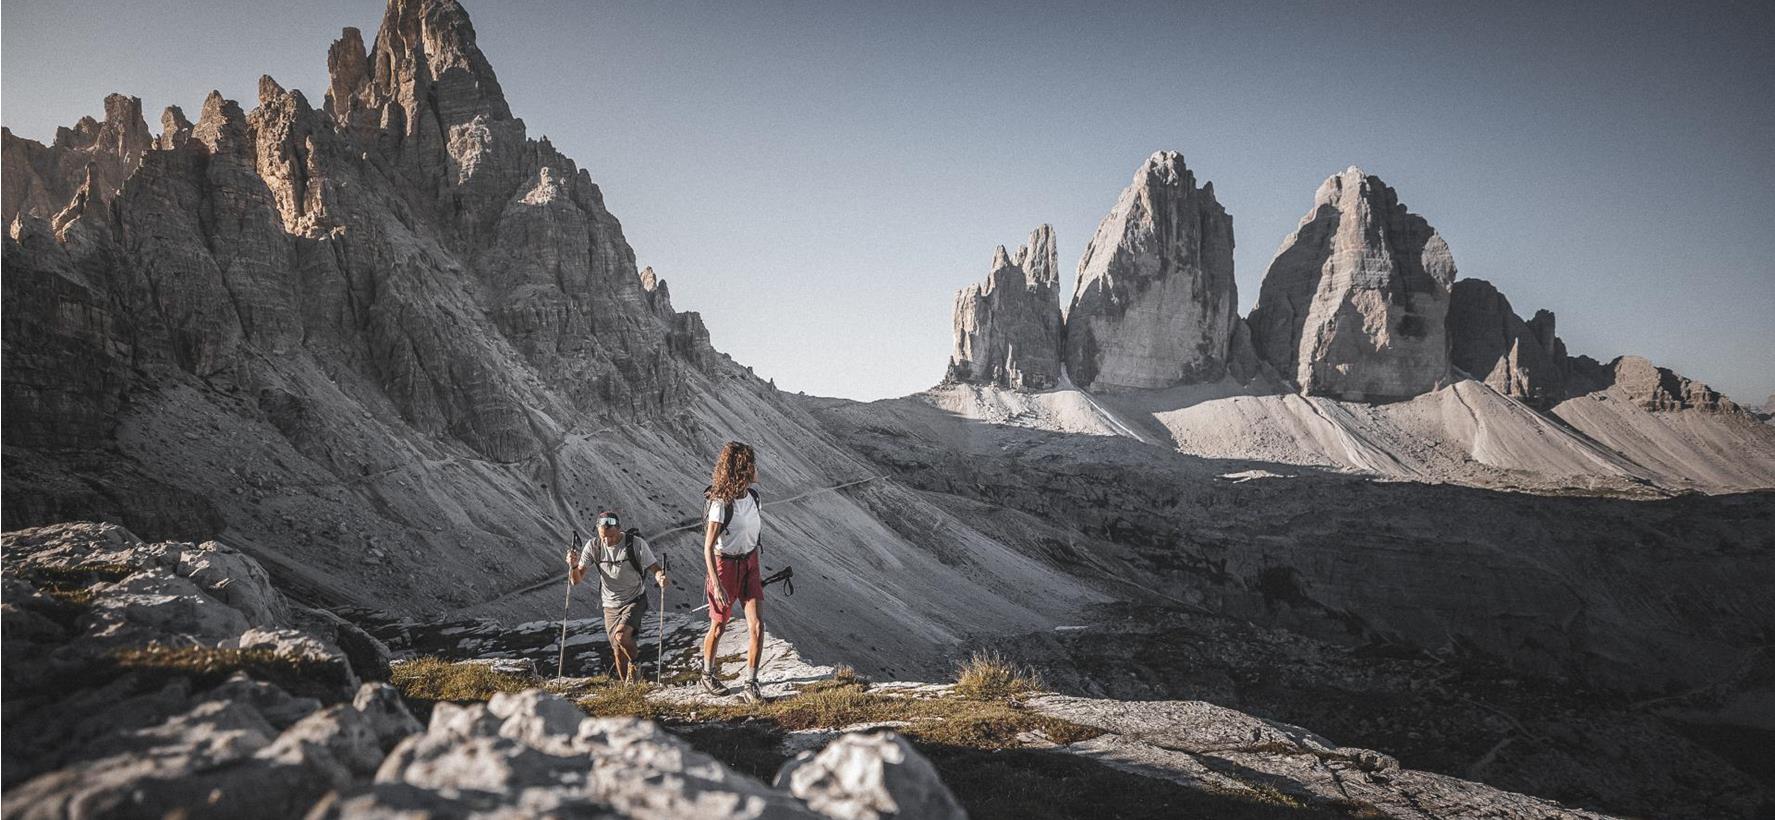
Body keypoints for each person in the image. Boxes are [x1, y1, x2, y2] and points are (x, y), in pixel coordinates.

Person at [700, 441, 766, 703]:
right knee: (718, 626)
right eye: (752, 464)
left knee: (757, 626)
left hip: (749, 563)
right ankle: (707, 673)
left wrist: (754, 571)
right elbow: (707, 547)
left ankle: (751, 682)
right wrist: (717, 584)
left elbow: (752, 535)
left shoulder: (754, 498)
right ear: (743, 468)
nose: (757, 469)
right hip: (724, 565)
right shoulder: (721, 504)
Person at [567, 510, 666, 682]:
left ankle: (636, 663)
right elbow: (576, 581)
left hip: (635, 599)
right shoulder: (594, 546)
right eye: (604, 537)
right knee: (617, 651)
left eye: (611, 537)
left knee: (621, 636)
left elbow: (654, 567)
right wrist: (574, 566)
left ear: (619, 530)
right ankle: (628, 687)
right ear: (598, 531)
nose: (608, 541)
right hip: (610, 605)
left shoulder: (635, 544)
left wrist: (661, 577)